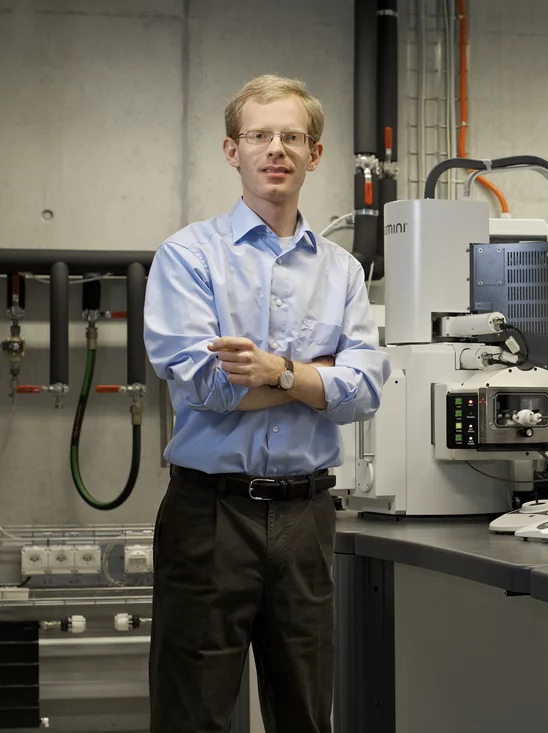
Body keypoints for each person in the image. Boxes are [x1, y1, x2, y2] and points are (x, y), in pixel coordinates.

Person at [143, 74, 389, 733]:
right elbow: (200, 384)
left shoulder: (343, 272)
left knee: (305, 713)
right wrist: (315, 377)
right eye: (259, 135)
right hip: (209, 515)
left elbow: (365, 390)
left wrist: (275, 370)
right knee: (195, 714)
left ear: (316, 153)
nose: (275, 148)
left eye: (291, 136)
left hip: (308, 515)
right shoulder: (188, 256)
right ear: (232, 150)